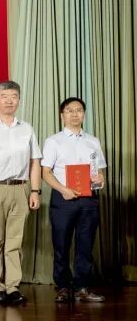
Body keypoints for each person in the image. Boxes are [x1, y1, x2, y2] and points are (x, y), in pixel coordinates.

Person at [0, 80, 42, 306]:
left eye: (14, 96)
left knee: (15, 241)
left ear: (19, 100)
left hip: (21, 188)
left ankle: (12, 286)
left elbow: (35, 161)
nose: (9, 101)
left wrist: (35, 191)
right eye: (4, 96)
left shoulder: (26, 128)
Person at [41, 97, 107, 303]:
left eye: (79, 110)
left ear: (84, 114)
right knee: (61, 244)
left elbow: (99, 171)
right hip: (63, 199)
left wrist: (100, 179)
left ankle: (82, 287)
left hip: (88, 199)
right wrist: (63, 190)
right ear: (62, 115)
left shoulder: (93, 141)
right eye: (70, 111)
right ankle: (62, 286)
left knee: (85, 244)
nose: (75, 114)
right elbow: (46, 172)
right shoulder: (53, 141)